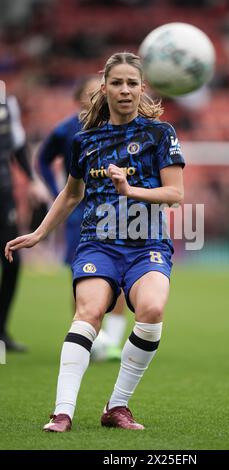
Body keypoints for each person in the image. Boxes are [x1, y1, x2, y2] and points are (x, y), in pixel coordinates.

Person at [5, 52, 185, 431]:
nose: (125, 90)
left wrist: (129, 188)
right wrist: (38, 234)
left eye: (132, 83)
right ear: (104, 89)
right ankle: (62, 411)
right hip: (97, 243)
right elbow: (71, 195)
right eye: (117, 83)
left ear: (142, 89)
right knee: (87, 313)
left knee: (151, 312)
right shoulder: (84, 140)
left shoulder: (160, 134)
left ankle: (116, 407)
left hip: (146, 242)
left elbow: (175, 194)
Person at [37, 76, 127, 361]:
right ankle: (89, 335)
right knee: (83, 274)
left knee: (122, 273)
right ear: (79, 98)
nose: (97, 97)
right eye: (91, 93)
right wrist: (56, 191)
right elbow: (42, 159)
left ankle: (112, 340)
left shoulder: (118, 126)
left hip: (115, 211)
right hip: (79, 212)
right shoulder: (68, 129)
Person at [0, 94, 44, 351]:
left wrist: (32, 179)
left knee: (12, 259)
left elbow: (17, 145)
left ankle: (1, 329)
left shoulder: (8, 103)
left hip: (3, 195)